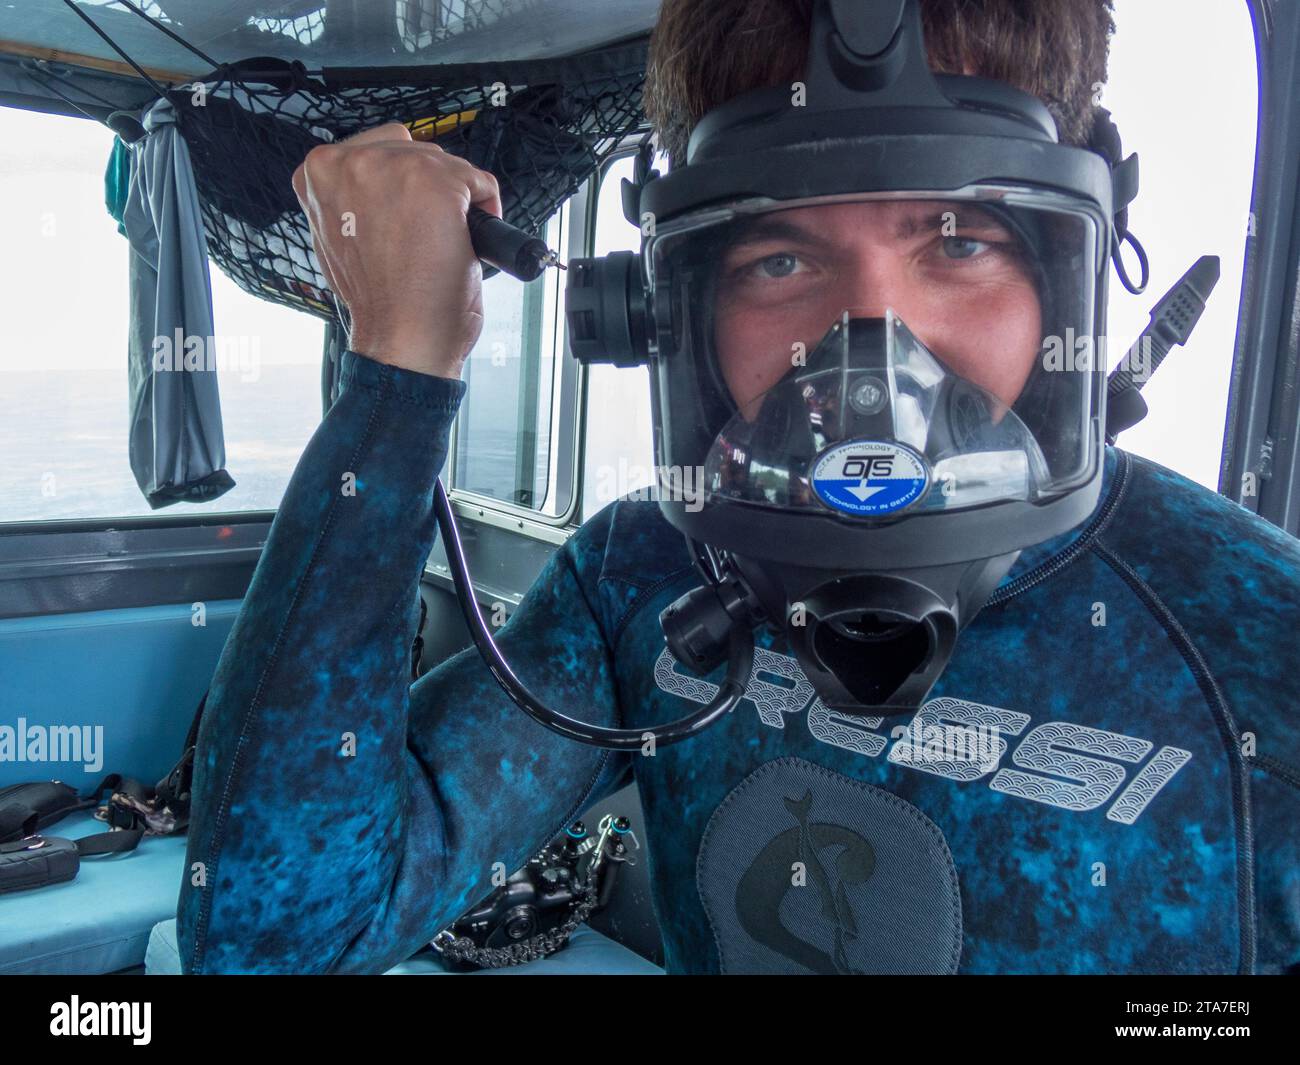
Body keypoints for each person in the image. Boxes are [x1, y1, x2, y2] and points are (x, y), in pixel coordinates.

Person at [175, 0, 1300, 975]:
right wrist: (400, 367)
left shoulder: (1262, 640)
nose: (873, 367)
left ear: (1073, 272)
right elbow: (281, 936)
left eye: (958, 243)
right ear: (665, 312)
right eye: (779, 259)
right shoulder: (640, 575)